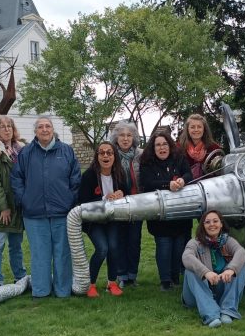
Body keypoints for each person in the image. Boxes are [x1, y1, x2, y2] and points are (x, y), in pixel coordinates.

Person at [11, 116, 81, 299]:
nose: (44, 129)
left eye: (47, 126)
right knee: (40, 254)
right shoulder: (26, 153)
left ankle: (63, 290)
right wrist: (24, 199)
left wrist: (69, 200)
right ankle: (41, 291)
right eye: (40, 127)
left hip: (62, 213)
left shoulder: (66, 151)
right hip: (34, 214)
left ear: (53, 129)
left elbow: (75, 180)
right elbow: (17, 179)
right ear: (35, 131)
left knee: (62, 253)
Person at [139, 130, 193, 291]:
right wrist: (166, 184)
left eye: (164, 144)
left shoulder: (179, 159)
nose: (162, 148)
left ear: (169, 145)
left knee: (178, 248)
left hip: (180, 213)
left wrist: (183, 179)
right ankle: (165, 280)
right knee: (164, 246)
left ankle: (176, 278)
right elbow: (147, 183)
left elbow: (189, 173)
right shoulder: (147, 163)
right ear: (153, 148)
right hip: (160, 215)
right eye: (158, 145)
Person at [182, 210, 245, 327]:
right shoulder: (195, 242)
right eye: (207, 222)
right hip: (197, 295)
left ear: (221, 224)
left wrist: (231, 269)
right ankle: (211, 315)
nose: (212, 224)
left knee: (241, 267)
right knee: (190, 270)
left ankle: (228, 310)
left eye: (215, 221)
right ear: (203, 226)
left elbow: (241, 252)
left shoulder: (228, 240)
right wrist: (205, 272)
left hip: (220, 289)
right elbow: (187, 257)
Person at [79, 141, 127, 297]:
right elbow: (83, 202)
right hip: (94, 220)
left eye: (109, 153)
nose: (106, 155)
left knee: (113, 248)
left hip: (113, 219)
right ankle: (90, 284)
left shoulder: (119, 173)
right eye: (102, 153)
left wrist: (121, 194)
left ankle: (111, 283)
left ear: (114, 156)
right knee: (102, 249)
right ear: (97, 156)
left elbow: (127, 194)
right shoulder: (89, 175)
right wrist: (104, 198)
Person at [0, 115, 27, 288]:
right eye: (2, 127)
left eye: (9, 126)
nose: (7, 129)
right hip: (0, 208)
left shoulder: (21, 149)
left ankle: (20, 276)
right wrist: (4, 208)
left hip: (18, 206)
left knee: (16, 245)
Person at [110, 121, 143, 288]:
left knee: (134, 240)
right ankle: (121, 275)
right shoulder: (110, 155)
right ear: (116, 138)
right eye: (122, 135)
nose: (125, 138)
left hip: (137, 204)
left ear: (134, 138)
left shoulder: (141, 155)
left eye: (129, 135)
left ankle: (132, 275)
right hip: (117, 205)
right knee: (119, 240)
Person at [178, 114, 221, 181]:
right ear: (187, 129)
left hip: (209, 186)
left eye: (199, 127)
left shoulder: (214, 148)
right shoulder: (179, 148)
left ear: (204, 129)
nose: (196, 130)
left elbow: (220, 170)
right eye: (192, 127)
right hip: (186, 187)